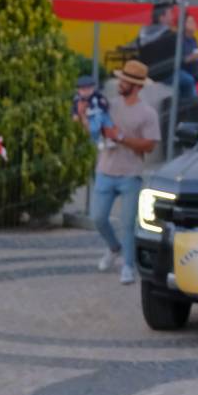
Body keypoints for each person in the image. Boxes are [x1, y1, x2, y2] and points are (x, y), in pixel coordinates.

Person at [92, 60, 160, 285]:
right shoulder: (110, 105)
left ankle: (128, 266)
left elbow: (150, 145)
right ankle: (114, 248)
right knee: (98, 218)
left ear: (137, 86)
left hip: (131, 174)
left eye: (125, 81)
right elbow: (97, 127)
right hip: (105, 169)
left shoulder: (148, 113)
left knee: (128, 224)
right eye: (121, 79)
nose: (120, 83)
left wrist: (121, 138)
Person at [72, 75, 113, 145]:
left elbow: (103, 100)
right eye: (83, 90)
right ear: (78, 90)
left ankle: (109, 139)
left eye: (89, 89)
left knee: (108, 123)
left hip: (100, 113)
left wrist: (105, 104)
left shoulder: (96, 95)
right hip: (90, 116)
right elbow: (75, 108)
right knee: (93, 129)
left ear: (93, 88)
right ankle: (96, 140)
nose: (86, 92)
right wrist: (75, 114)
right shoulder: (78, 99)